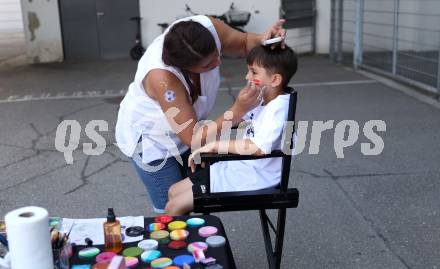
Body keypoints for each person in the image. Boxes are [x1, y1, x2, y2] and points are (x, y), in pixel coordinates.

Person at [115, 14, 287, 213]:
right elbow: (193, 138)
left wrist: (264, 38)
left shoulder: (205, 29)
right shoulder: (163, 79)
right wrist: (237, 110)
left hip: (189, 130)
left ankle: (193, 239)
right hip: (152, 141)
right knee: (170, 210)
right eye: (207, 65)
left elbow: (245, 42)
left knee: (185, 195)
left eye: (217, 53)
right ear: (186, 68)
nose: (217, 63)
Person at [165, 44, 298, 215]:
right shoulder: (263, 99)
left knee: (173, 206)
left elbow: (259, 147)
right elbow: (235, 120)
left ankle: (184, 240)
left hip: (256, 177)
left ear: (275, 80)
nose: (247, 76)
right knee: (173, 192)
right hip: (242, 168)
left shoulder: (278, 108)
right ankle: (187, 237)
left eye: (254, 72)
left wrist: (214, 146)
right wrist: (240, 107)